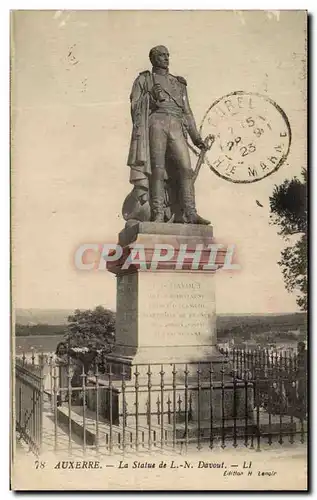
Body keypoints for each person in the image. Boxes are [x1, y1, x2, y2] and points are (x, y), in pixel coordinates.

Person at [126, 45, 210, 225]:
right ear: (153, 59)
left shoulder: (178, 83)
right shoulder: (145, 80)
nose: (166, 58)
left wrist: (196, 139)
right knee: (158, 169)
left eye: (167, 55)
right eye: (161, 55)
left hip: (176, 124)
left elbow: (187, 112)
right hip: (156, 123)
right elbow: (135, 105)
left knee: (186, 169)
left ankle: (190, 213)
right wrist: (150, 98)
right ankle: (157, 213)